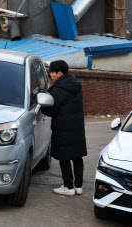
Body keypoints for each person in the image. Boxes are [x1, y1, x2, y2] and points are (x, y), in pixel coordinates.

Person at [41, 60, 87, 196]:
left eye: (52, 72)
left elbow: (50, 110)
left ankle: (68, 187)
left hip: (63, 127)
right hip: (77, 127)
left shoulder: (59, 89)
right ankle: (78, 186)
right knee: (77, 156)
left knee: (64, 157)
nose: (50, 75)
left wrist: (41, 105)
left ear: (59, 73)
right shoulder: (74, 84)